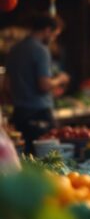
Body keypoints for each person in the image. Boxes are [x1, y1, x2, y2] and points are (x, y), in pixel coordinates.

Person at [4, 13, 69, 154]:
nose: (53, 39)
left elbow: (6, 86)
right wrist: (61, 79)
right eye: (54, 35)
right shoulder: (41, 50)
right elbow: (44, 85)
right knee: (47, 161)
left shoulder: (14, 49)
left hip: (19, 114)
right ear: (47, 30)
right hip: (39, 114)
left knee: (24, 159)